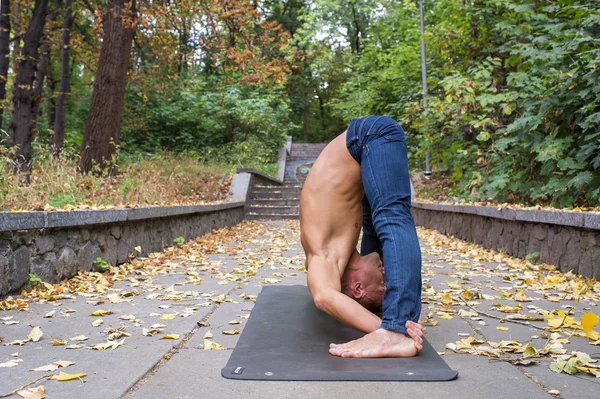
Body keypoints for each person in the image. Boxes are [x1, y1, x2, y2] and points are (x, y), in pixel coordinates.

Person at [300, 115, 423, 358]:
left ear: (357, 288)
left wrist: (385, 329)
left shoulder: (324, 255)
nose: (386, 273)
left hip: (367, 136)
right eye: (386, 282)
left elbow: (324, 297)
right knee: (377, 227)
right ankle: (395, 325)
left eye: (381, 283)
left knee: (391, 216)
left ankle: (395, 329)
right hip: (363, 145)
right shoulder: (339, 250)